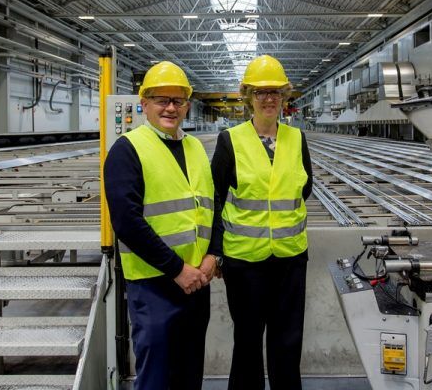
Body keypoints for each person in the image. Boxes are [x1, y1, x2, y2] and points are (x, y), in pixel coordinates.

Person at [104, 61, 220, 390]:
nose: (171, 107)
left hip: (198, 282)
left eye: (178, 100)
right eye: (161, 100)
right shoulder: (127, 150)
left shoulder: (195, 147)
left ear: (187, 105)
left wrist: (214, 256)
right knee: (157, 376)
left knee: (189, 373)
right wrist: (176, 269)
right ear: (144, 104)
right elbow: (126, 222)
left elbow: (211, 207)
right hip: (155, 284)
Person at [211, 55, 313, 390]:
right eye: (260, 92)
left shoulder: (297, 140)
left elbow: (305, 187)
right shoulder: (230, 141)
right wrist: (216, 252)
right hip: (244, 262)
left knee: (287, 343)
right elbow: (214, 201)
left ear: (285, 96)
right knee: (248, 344)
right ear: (248, 97)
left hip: (290, 260)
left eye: (275, 92)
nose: (268, 99)